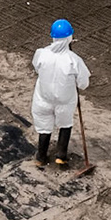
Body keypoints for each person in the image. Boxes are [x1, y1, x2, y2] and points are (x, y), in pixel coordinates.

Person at [30, 19, 90, 167]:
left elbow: (37, 68)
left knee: (44, 127)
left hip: (43, 99)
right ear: (70, 37)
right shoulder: (73, 60)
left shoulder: (41, 53)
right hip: (65, 101)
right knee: (65, 125)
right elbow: (83, 84)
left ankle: (41, 157)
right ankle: (61, 156)